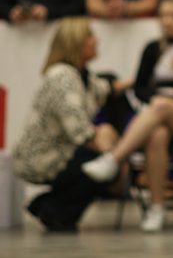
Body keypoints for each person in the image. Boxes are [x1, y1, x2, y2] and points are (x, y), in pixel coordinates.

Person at [81, 0, 173, 232]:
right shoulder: (152, 49)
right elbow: (140, 89)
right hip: (159, 115)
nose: (167, 22)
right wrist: (159, 102)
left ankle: (114, 159)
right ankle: (157, 208)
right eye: (163, 16)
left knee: (161, 106)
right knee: (157, 133)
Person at [12, 18, 129, 231]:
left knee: (108, 160)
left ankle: (56, 211)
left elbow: (106, 89)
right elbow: (80, 134)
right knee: (104, 165)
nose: (96, 41)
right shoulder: (63, 77)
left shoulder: (83, 75)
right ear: (77, 42)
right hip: (41, 157)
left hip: (61, 153)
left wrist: (142, 79)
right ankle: (51, 207)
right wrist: (116, 153)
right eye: (90, 37)